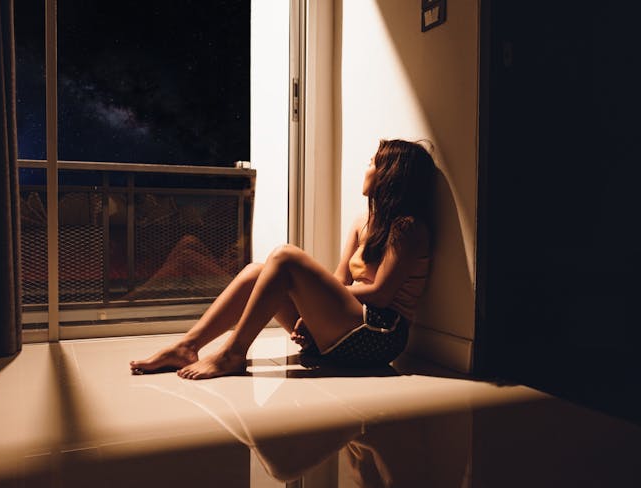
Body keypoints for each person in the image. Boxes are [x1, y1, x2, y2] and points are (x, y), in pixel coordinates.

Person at [129, 138, 435, 379]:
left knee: (285, 257)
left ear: (390, 175)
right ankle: (187, 346)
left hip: (380, 334)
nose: (366, 168)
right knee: (256, 272)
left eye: (373, 163)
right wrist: (311, 310)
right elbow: (341, 279)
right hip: (349, 324)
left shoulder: (407, 228)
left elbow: (381, 294)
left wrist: (315, 303)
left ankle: (233, 353)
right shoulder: (363, 220)